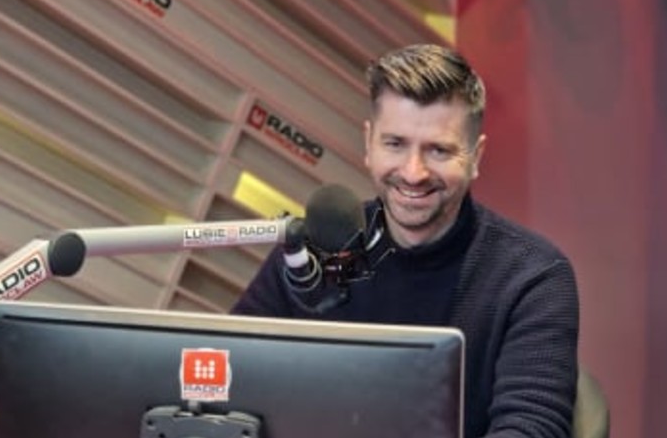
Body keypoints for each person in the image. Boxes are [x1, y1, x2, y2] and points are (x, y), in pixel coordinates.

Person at [231, 43, 579, 438]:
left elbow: (532, 427)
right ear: (369, 144)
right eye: (395, 144)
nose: (414, 173)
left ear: (476, 157)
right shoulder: (309, 251)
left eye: (439, 150)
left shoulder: (533, 276)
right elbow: (229, 376)